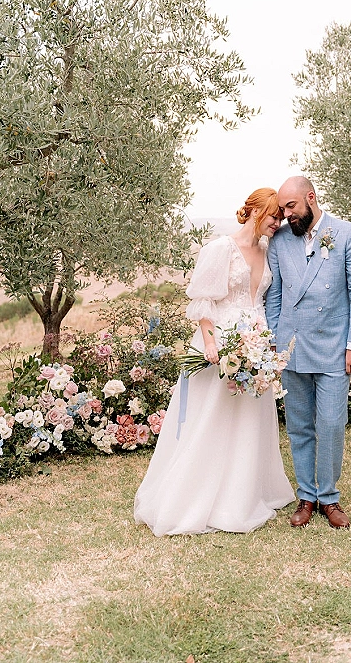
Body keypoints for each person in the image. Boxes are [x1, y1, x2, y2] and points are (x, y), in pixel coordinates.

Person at [134, 188, 294, 535]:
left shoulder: (269, 250)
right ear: (255, 212)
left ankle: (243, 492)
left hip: (257, 344)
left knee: (248, 418)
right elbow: (204, 301)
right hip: (219, 343)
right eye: (273, 216)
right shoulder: (220, 248)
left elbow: (264, 301)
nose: (277, 223)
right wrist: (211, 344)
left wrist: (265, 345)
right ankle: (195, 496)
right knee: (212, 418)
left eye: (280, 218)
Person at [265, 177, 351, 529]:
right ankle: (306, 496)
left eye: (291, 206)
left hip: (333, 346)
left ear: (311, 198)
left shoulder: (348, 234)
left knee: (330, 423)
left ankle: (329, 497)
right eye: (282, 208)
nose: (285, 215)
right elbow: (276, 295)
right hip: (291, 346)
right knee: (298, 426)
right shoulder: (280, 240)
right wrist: (273, 342)